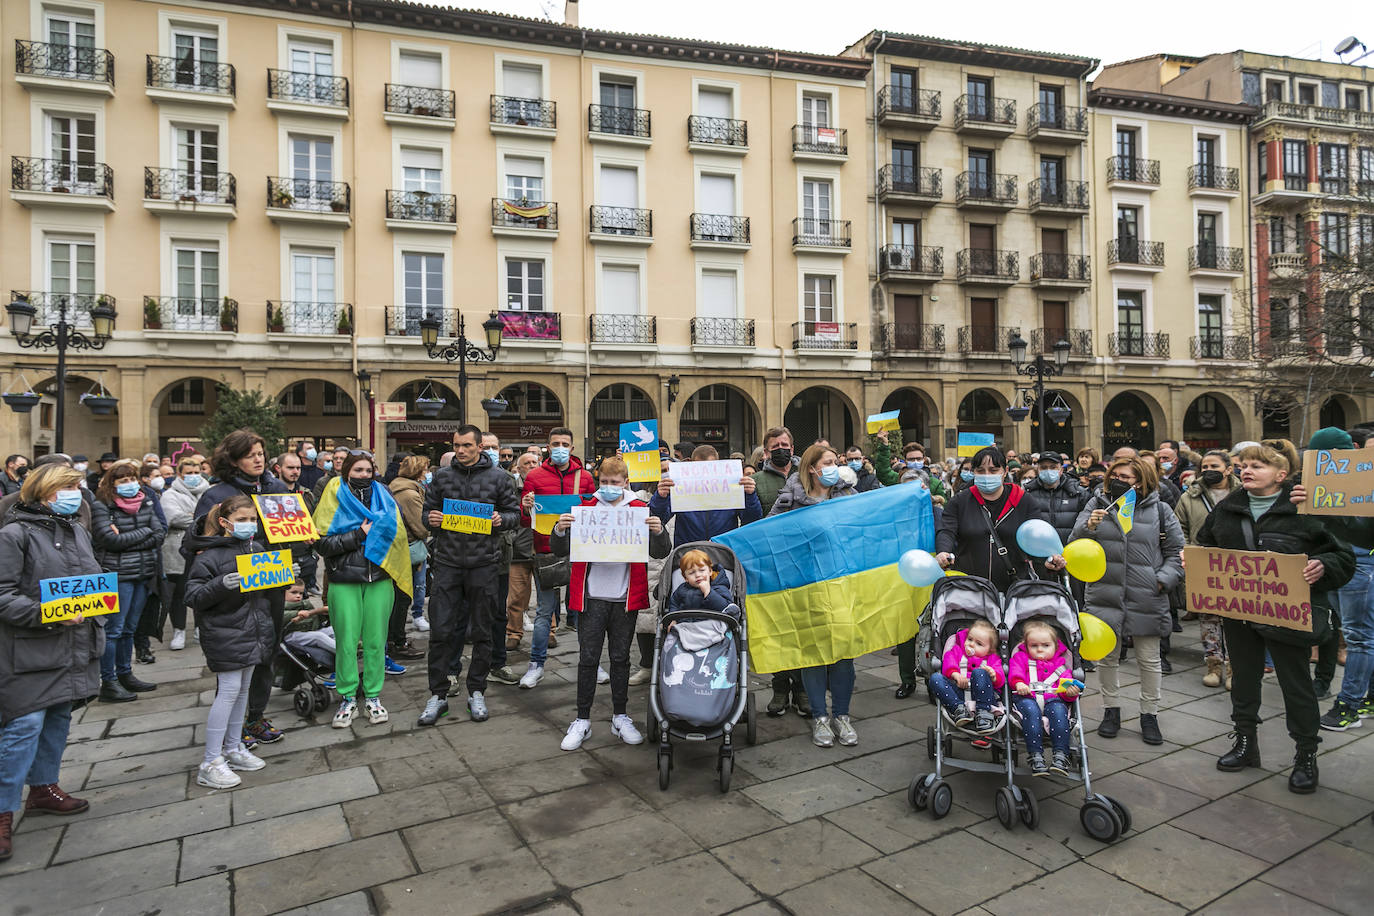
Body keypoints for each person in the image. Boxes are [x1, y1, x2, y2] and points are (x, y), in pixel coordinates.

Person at [1198, 444, 1353, 793]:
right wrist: (1196, 563)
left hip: (1288, 615)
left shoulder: (1304, 509)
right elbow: (1205, 545)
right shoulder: (1227, 510)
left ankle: (1305, 754)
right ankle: (1245, 743)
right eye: (1244, 466)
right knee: (1244, 681)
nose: (1247, 470)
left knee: (1296, 686)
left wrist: (1323, 565)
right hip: (1240, 615)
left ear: (1281, 476)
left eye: (1258, 466)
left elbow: (1342, 556)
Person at [0, 464, 102, 862]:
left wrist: (97, 600)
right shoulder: (13, 535)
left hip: (71, 645)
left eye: (79, 485)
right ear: (45, 492)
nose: (79, 492)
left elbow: (85, 578)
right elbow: (3, 595)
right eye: (70, 486)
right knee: (23, 725)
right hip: (30, 649)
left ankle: (43, 788)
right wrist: (47, 613)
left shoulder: (76, 529)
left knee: (59, 717)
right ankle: (3, 811)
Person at [550, 456, 670, 750]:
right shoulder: (585, 509)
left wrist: (658, 530)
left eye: (614, 483)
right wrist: (560, 529)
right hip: (590, 597)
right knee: (588, 659)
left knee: (620, 659)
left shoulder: (640, 510)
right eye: (604, 482)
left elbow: (660, 551)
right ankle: (582, 719)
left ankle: (620, 715)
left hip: (624, 598)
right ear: (597, 481)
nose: (608, 487)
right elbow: (558, 548)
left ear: (626, 483)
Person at [1072, 455, 1182, 745]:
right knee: (1108, 657)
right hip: (1104, 592)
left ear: (1141, 481)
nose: (1119, 481)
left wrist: (1162, 580)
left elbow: (1177, 552)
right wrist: (1089, 527)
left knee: (1149, 659)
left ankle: (1150, 713)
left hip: (1146, 593)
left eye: (1127, 477)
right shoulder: (1096, 504)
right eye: (1115, 476)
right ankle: (1111, 710)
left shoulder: (1159, 509)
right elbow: (1075, 541)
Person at [194, 429, 293, 748]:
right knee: (239, 656)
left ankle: (255, 716)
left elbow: (288, 531)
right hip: (234, 586)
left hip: (271, 581)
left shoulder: (276, 488)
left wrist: (300, 540)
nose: (258, 459)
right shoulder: (216, 494)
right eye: (250, 454)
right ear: (233, 459)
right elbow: (197, 543)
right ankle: (233, 727)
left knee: (267, 648)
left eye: (261, 453)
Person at [418, 426, 519, 725]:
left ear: (479, 447)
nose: (460, 451)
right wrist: (431, 519)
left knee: (483, 631)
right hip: (448, 564)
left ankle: (477, 690)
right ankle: (437, 695)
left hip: (484, 564)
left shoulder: (500, 478)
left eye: (466, 446)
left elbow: (514, 515)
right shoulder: (443, 476)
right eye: (456, 446)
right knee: (441, 631)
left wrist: (502, 520)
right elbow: (428, 513)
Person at [768, 443, 861, 747]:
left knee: (843, 652)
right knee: (814, 652)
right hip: (805, 584)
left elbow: (864, 526)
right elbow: (769, 534)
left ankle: (843, 716)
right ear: (811, 468)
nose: (835, 466)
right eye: (828, 462)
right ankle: (821, 717)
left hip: (842, 582)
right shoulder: (789, 499)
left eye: (837, 461)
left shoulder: (848, 495)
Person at [184, 495, 277, 789]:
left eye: (252, 520)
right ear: (225, 523)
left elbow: (265, 589)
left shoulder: (257, 548)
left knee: (243, 690)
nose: (249, 525)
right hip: (225, 631)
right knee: (228, 690)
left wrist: (284, 578)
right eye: (242, 520)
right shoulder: (209, 556)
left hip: (253, 629)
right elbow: (193, 596)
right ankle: (211, 760)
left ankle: (234, 748)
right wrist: (220, 585)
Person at [313, 452, 411, 728]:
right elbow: (322, 545)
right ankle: (346, 698)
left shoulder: (384, 495)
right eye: (358, 470)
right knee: (345, 642)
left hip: (380, 578)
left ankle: (372, 696)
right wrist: (359, 535)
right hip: (344, 580)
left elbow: (399, 535)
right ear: (346, 472)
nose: (364, 475)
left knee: (376, 641)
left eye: (369, 470)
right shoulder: (332, 496)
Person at [1301, 429, 1374, 729]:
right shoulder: (1319, 483)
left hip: (1360, 562)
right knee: (1357, 633)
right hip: (1335, 561)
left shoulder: (1364, 484)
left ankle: (1349, 705)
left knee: (1359, 637)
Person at [517, 427, 595, 688]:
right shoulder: (535, 476)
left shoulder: (585, 477)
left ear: (572, 448)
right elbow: (525, 519)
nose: (560, 447)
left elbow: (594, 511)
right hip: (546, 551)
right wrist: (526, 506)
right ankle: (536, 665)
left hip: (580, 551)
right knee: (544, 612)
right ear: (547, 448)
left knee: (583, 610)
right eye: (555, 443)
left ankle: (590, 664)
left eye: (565, 443)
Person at [935, 446, 1063, 591]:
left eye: (993, 470)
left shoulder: (1023, 500)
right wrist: (943, 551)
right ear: (974, 472)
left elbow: (1037, 536)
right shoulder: (960, 501)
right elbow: (946, 531)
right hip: (969, 587)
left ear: (1005, 471)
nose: (987, 475)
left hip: (1014, 587)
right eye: (980, 471)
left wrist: (1047, 558)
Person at [91, 460, 165, 702]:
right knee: (113, 629)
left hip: (143, 573)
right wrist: (143, 534)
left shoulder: (145, 500)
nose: (130, 484)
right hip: (118, 574)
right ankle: (109, 680)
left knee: (130, 629)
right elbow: (107, 540)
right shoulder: (102, 505)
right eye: (123, 481)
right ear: (112, 483)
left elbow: (158, 533)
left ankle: (125, 673)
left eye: (132, 479)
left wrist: (129, 536)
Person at [1174, 449, 1241, 689]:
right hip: (1203, 563)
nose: (1209, 471)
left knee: (1235, 618)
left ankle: (1235, 668)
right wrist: (1187, 550)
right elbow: (1179, 526)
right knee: (1209, 617)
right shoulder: (1190, 496)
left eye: (1215, 466)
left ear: (1229, 469)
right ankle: (1213, 665)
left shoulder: (1243, 493)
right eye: (1205, 467)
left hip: (1236, 565)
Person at [650, 445, 761, 548]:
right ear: (691, 465)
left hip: (723, 553)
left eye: (710, 467)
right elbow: (660, 519)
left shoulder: (731, 488)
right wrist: (661, 497)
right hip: (689, 555)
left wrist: (749, 496)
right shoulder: (681, 488)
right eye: (700, 468)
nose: (705, 474)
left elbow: (751, 520)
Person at [1009, 620, 1079, 776]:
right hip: (1027, 697)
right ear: (1026, 646)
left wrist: (1069, 693)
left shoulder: (1061, 665)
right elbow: (1015, 672)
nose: (1040, 649)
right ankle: (1035, 755)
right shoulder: (1021, 659)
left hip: (1052, 699)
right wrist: (1019, 683)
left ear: (1055, 646)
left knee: (1059, 711)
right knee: (1030, 711)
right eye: (1034, 646)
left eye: (1046, 646)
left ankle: (1061, 755)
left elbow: (1065, 687)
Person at [480, 431, 519, 686]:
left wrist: (502, 522)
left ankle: (498, 662)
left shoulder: (506, 478)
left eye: (495, 447)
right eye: (486, 446)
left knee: (497, 612)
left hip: (500, 553)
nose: (491, 451)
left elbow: (514, 515)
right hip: (466, 554)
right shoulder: (455, 477)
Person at [160, 455, 210, 651]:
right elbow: (174, 518)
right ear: (180, 474)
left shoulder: (208, 491)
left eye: (196, 472)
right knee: (179, 593)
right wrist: (202, 518)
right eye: (189, 473)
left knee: (201, 590)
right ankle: (179, 630)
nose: (193, 476)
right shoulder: (170, 495)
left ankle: (199, 627)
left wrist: (194, 517)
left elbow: (216, 516)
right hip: (176, 550)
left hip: (203, 548)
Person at [386, 456, 429, 664]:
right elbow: (420, 527)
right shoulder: (410, 494)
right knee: (402, 598)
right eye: (425, 469)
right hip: (407, 551)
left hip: (397, 550)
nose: (427, 473)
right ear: (418, 472)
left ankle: (394, 640)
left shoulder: (395, 487)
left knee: (397, 598)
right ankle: (398, 642)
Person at [928, 619, 1004, 733]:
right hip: (959, 694)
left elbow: (1000, 678)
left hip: (984, 698)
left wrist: (993, 675)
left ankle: (983, 714)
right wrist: (955, 674)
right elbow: (949, 661)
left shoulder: (992, 659)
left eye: (979, 643)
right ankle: (958, 709)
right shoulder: (957, 651)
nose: (971, 644)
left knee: (979, 673)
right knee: (935, 678)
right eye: (969, 639)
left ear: (989, 650)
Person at [505, 451, 540, 651]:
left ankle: (550, 632)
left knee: (546, 597)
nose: (532, 466)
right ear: (519, 469)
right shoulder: (511, 490)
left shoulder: (545, 486)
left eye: (535, 462)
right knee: (516, 597)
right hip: (519, 551)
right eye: (527, 463)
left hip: (542, 549)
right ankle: (514, 633)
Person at [1021, 451, 1089, 550]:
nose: (1048, 470)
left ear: (1061, 470)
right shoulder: (1028, 494)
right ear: (1038, 470)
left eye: (1053, 467)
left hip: (1071, 551)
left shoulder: (1078, 493)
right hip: (1039, 553)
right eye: (1043, 467)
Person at [276, 451, 319, 595]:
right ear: (278, 468)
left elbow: (313, 521)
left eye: (298, 468)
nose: (295, 472)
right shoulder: (268, 495)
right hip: (279, 557)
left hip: (305, 557)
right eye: (290, 468)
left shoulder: (306, 494)